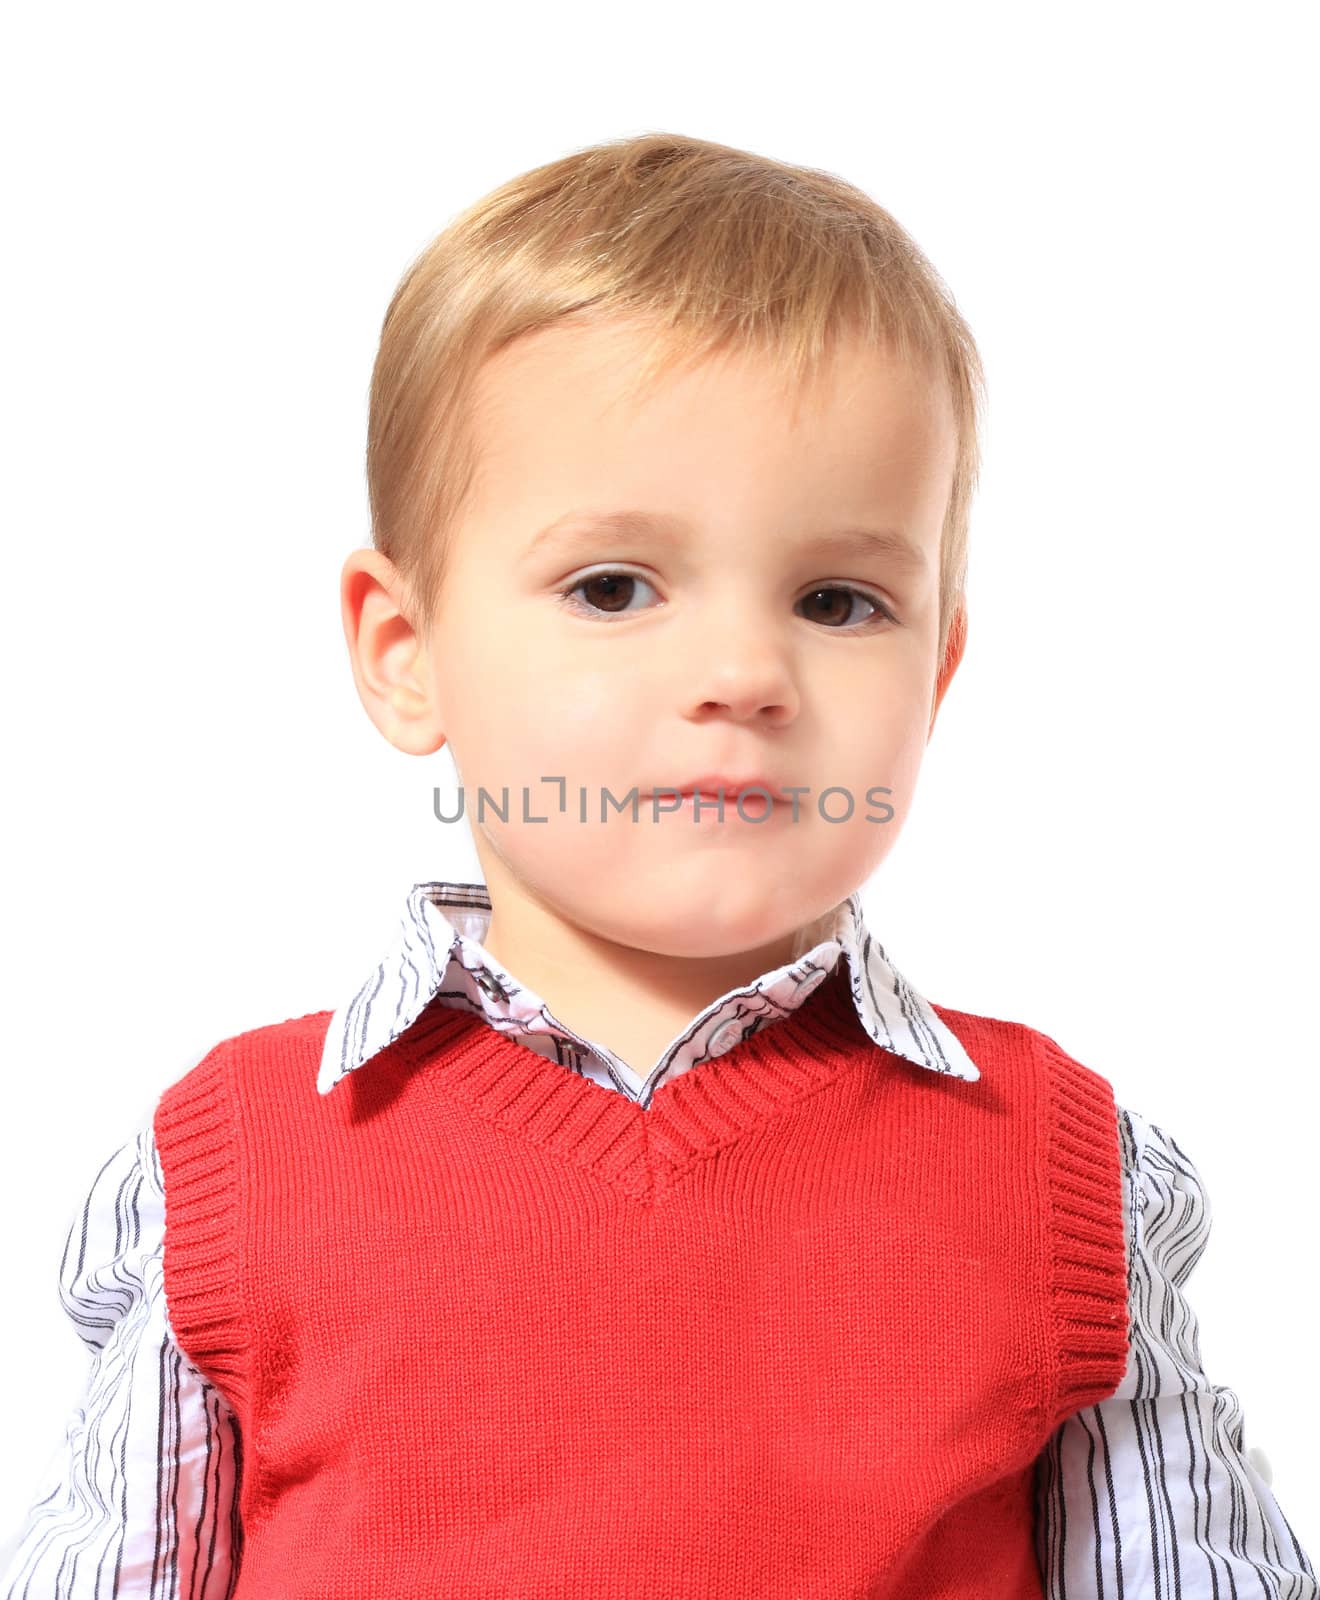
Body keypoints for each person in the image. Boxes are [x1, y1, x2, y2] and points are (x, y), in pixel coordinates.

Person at [3, 131, 1314, 1599]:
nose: (746, 672)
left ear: (937, 673)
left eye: (838, 598)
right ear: (405, 651)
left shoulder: (1062, 1170)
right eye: (613, 586)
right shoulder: (233, 1163)